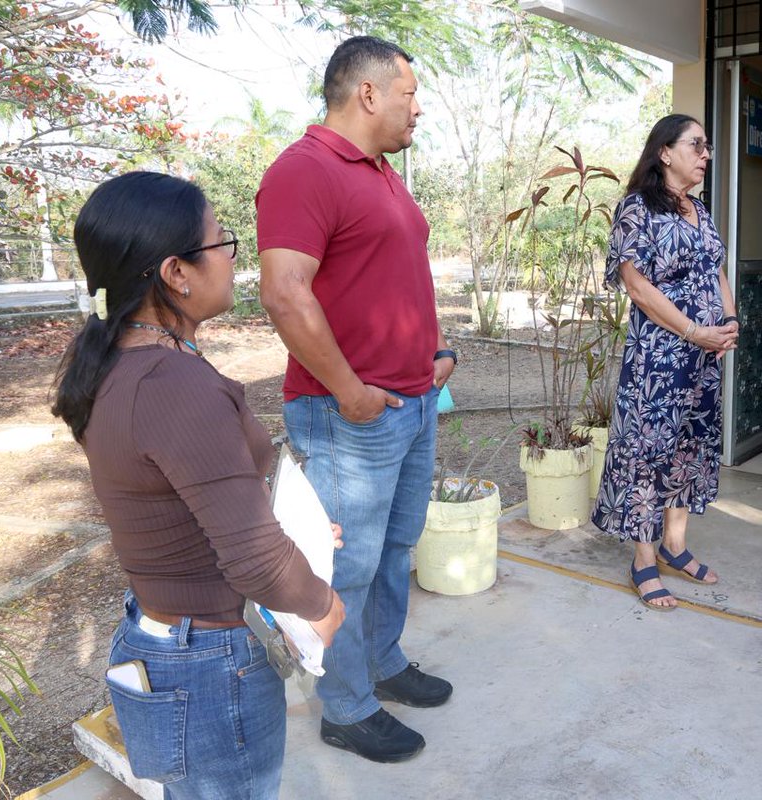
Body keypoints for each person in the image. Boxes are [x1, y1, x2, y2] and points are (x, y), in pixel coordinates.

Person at [51, 171, 346, 800]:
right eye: (222, 243)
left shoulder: (122, 364)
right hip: (210, 662)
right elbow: (255, 560)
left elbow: (187, 500)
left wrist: (302, 528)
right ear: (176, 273)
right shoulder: (173, 386)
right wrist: (322, 603)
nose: (235, 259)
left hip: (172, 639)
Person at [256, 36, 455, 762]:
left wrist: (436, 352)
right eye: (409, 92)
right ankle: (343, 705)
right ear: (367, 93)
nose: (418, 106)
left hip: (411, 402)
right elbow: (283, 293)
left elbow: (390, 280)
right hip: (349, 416)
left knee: (397, 546)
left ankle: (384, 662)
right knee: (349, 564)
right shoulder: (303, 170)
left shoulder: (383, 175)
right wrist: (350, 391)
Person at [591, 114, 739, 611]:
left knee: (691, 449)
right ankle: (643, 558)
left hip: (704, 361)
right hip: (660, 361)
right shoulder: (637, 210)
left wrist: (730, 322)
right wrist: (695, 331)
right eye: (696, 145)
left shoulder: (700, 210)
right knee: (648, 452)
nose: (706, 154)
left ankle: (676, 545)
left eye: (707, 145)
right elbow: (638, 287)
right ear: (665, 153)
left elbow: (715, 270)